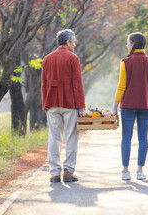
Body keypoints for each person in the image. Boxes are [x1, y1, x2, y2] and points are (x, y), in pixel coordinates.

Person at [113, 32, 148, 181]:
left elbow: (121, 86)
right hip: (146, 105)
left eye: (128, 42)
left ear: (133, 44)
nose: (127, 45)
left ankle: (125, 171)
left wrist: (115, 108)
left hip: (127, 105)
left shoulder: (125, 62)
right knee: (142, 138)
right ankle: (140, 171)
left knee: (126, 138)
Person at [42, 29, 85, 183]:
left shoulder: (47, 59)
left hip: (52, 103)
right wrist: (81, 107)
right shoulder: (73, 58)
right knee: (71, 137)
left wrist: (45, 104)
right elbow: (77, 84)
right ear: (67, 42)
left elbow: (44, 84)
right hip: (70, 104)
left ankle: (54, 173)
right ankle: (68, 171)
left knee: (54, 138)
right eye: (73, 41)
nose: (74, 44)